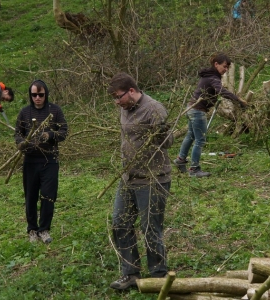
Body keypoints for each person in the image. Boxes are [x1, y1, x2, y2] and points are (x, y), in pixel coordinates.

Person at [107, 73, 173, 290]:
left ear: (132, 91)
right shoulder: (124, 109)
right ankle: (131, 273)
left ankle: (158, 274)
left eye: (119, 97)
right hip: (128, 177)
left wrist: (161, 132)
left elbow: (169, 142)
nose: (117, 102)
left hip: (152, 178)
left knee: (150, 228)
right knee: (120, 222)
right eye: (115, 99)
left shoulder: (154, 109)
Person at [174, 53, 247, 178]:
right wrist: (238, 100)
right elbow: (221, 91)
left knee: (191, 135)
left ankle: (180, 160)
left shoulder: (209, 76)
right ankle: (194, 169)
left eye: (228, 67)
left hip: (191, 108)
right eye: (224, 66)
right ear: (216, 64)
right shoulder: (213, 77)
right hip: (198, 110)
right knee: (200, 139)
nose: (226, 70)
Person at [14, 80, 68, 244]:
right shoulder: (25, 113)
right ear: (30, 95)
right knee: (30, 196)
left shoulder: (55, 111)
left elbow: (64, 131)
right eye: (34, 95)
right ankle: (32, 229)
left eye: (41, 95)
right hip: (31, 161)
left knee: (48, 195)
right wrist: (21, 143)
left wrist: (50, 135)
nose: (38, 98)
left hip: (50, 160)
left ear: (46, 94)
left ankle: (44, 229)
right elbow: (17, 133)